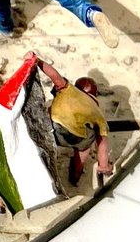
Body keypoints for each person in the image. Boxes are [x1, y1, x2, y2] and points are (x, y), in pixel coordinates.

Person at [33, 54, 113, 186]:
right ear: (94, 95)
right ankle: (75, 175)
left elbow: (54, 75)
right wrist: (104, 166)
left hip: (54, 128)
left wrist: (37, 61)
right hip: (78, 137)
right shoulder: (98, 114)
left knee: (50, 109)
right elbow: (102, 144)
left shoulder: (68, 89)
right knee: (85, 146)